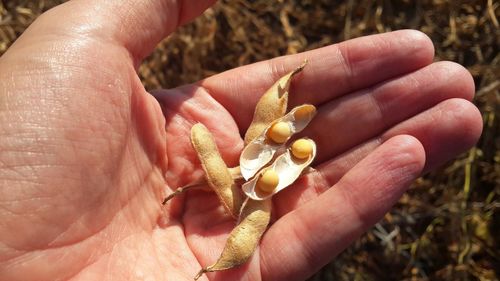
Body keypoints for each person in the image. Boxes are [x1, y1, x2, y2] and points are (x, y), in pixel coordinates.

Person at [0, 1, 482, 280]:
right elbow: (220, 149)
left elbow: (249, 161)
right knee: (235, 184)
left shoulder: (271, 168)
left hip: (258, 182)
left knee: (246, 205)